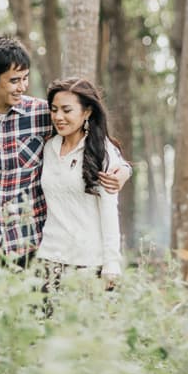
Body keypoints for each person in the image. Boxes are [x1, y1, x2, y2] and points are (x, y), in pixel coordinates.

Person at [0, 36, 130, 315]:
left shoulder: (42, 114)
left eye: (25, 78)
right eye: (14, 80)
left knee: (26, 326)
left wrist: (125, 171)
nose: (22, 87)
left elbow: (90, 139)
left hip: (30, 244)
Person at [36, 77, 126, 294]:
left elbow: (108, 210)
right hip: (49, 258)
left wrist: (111, 262)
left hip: (87, 262)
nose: (58, 117)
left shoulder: (102, 151)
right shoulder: (49, 147)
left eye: (67, 110)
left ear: (86, 112)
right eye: (54, 109)